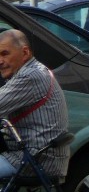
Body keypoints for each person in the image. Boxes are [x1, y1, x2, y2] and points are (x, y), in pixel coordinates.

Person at [0, 30, 70, 180]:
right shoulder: (35, 70)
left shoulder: (30, 76)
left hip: (34, 159)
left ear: (25, 53)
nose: (0, 61)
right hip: (38, 156)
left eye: (5, 54)